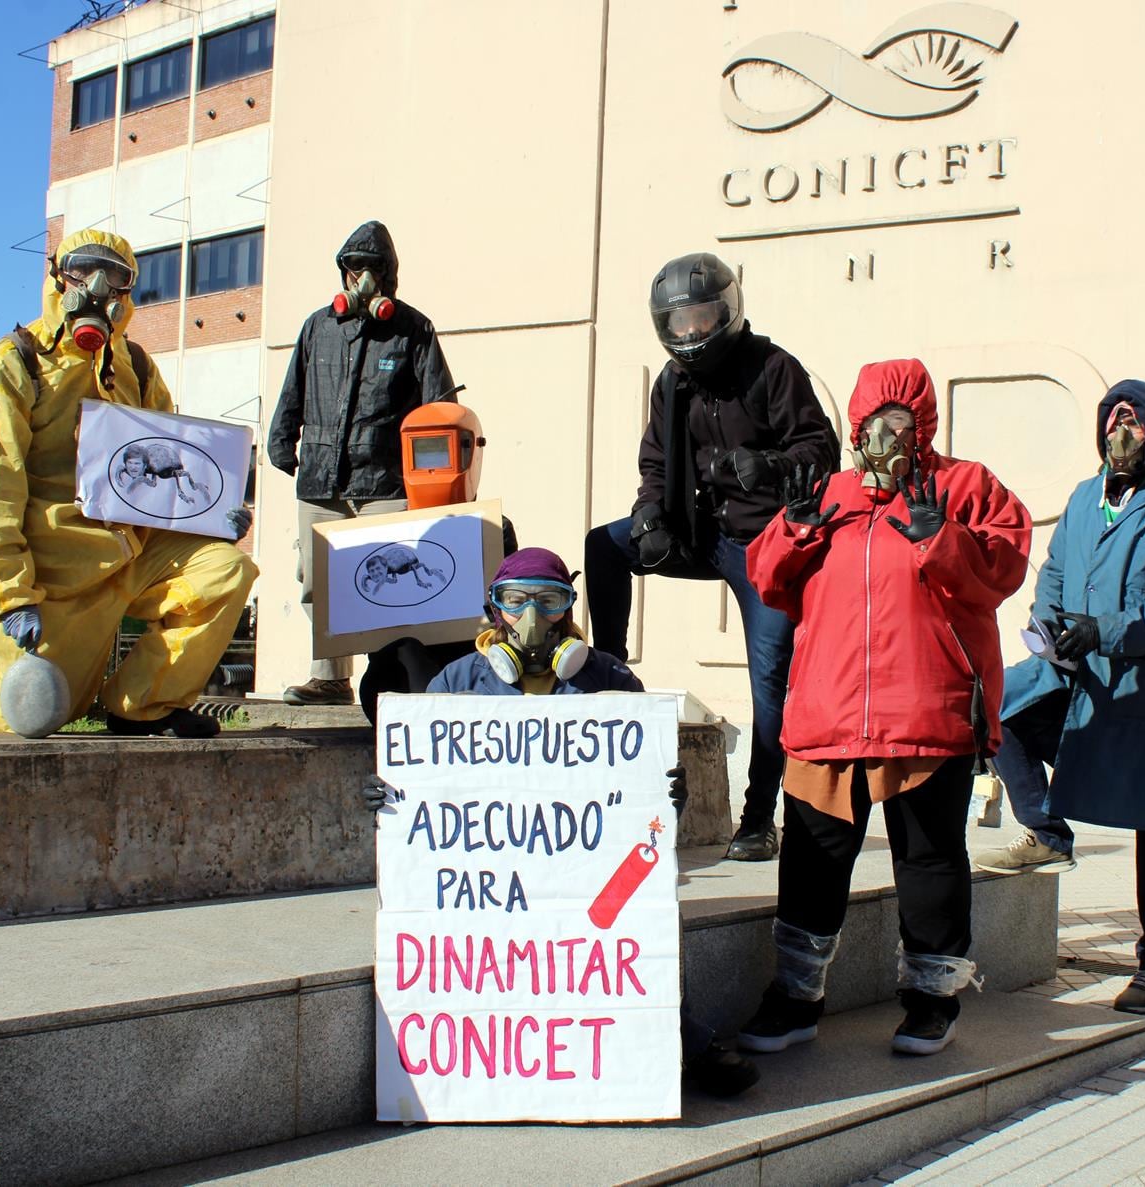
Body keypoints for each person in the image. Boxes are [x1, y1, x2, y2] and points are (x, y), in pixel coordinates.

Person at [360, 546, 760, 1097]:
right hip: (487, 871)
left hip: (582, 868)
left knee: (633, 930)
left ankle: (680, 1038)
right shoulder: (455, 682)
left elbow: (642, 799)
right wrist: (392, 796)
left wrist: (668, 794)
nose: (531, 617)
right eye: (515, 600)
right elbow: (430, 781)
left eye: (549, 601)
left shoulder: (609, 679)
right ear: (494, 607)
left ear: (568, 609)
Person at [736, 359, 1032, 1057]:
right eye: (877, 424)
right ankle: (796, 997)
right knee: (811, 859)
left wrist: (942, 536)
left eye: (904, 424)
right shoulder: (829, 493)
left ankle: (933, 997)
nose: (889, 436)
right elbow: (766, 582)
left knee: (928, 862)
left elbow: (1003, 567)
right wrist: (793, 531)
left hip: (926, 712)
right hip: (828, 714)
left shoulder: (965, 486)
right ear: (857, 427)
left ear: (923, 429)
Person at [975, 379, 1145, 1015]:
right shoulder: (1086, 498)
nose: (1123, 433)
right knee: (1000, 711)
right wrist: (1051, 621)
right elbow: (1054, 572)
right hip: (1077, 677)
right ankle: (1047, 831)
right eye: (1114, 420)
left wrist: (1105, 631)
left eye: (1135, 423)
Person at [0, 229, 256, 738]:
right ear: (56, 278)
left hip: (132, 553)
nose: (97, 287)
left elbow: (169, 462)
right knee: (40, 711)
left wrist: (212, 517)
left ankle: (142, 707)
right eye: (84, 271)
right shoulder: (11, 365)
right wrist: (11, 596)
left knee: (225, 571)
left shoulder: (134, 366)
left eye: (116, 277)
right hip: (55, 575)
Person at [584, 252, 840, 861]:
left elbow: (821, 449)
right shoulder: (671, 384)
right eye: (679, 323)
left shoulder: (774, 369)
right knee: (604, 544)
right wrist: (648, 514)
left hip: (762, 547)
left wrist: (770, 466)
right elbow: (653, 463)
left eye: (702, 318)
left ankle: (757, 820)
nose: (692, 333)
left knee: (769, 684)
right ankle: (613, 672)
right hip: (697, 535)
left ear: (728, 312)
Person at [268, 220, 459, 706]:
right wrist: (281, 439)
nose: (363, 279)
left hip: (387, 483)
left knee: (388, 587)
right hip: (320, 479)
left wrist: (439, 476)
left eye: (373, 269)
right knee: (318, 582)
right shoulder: (318, 326)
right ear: (343, 274)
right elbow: (295, 388)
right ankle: (329, 679)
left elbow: (438, 405)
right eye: (355, 269)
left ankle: (390, 681)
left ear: (388, 275)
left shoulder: (414, 329)